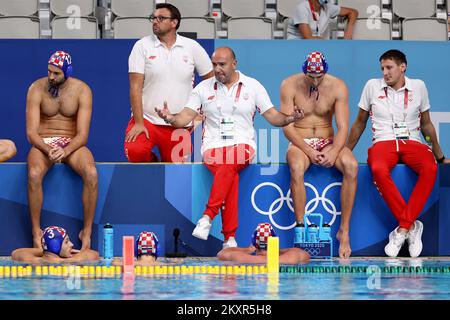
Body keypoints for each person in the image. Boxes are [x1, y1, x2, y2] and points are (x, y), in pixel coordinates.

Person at [155, 46, 304, 249]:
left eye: (222, 65)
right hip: (212, 146)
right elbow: (184, 117)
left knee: (227, 165)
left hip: (243, 145)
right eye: (214, 65)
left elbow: (273, 116)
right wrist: (170, 117)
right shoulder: (202, 89)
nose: (217, 69)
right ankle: (230, 239)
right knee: (228, 174)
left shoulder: (253, 86)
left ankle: (208, 216)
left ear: (234, 64)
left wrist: (290, 118)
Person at [347, 49, 448, 258]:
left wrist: (439, 156)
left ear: (403, 67)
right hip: (383, 141)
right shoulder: (372, 86)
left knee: (430, 168)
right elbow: (359, 123)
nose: (385, 72)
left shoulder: (419, 86)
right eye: (382, 68)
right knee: (377, 168)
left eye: (389, 67)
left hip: (412, 141)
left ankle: (403, 228)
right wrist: (346, 151)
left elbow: (427, 126)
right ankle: (412, 226)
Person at [281, 51, 357, 259]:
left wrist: (333, 151)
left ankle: (344, 231)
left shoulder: (338, 86)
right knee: (296, 167)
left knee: (351, 165)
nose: (315, 81)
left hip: (328, 140)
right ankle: (301, 229)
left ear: (325, 71)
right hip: (301, 140)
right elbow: (287, 127)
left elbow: (342, 127)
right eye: (310, 76)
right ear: (304, 70)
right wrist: (308, 150)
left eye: (319, 76)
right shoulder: (289, 84)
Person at [124, 3, 214, 163]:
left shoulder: (192, 47)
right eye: (153, 18)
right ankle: (155, 165)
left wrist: (200, 110)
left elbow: (212, 81)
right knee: (135, 153)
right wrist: (138, 123)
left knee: (177, 171)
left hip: (179, 124)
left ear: (174, 23)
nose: (155, 21)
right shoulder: (142, 46)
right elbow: (135, 87)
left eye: (161, 18)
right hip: (147, 120)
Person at [26, 50, 97, 250]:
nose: (51, 77)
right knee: (33, 174)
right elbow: (31, 133)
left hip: (71, 144)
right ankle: (36, 231)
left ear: (68, 72)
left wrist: (65, 151)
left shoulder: (82, 90)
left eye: (56, 73)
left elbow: (82, 135)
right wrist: (48, 148)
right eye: (49, 72)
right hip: (44, 143)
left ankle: (87, 231)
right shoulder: (36, 88)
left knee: (91, 173)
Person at [217, 223, 310, 264]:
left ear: (254, 243)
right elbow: (304, 255)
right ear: (274, 241)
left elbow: (222, 253)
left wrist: (247, 250)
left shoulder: (243, 258)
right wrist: (276, 250)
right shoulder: (287, 259)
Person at [11, 226, 99, 263]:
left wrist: (43, 250)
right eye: (66, 241)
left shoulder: (35, 261)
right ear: (55, 245)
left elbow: (16, 253)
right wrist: (72, 257)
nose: (71, 244)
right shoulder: (72, 261)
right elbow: (94, 254)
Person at [287, 0, 358, 40]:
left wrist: (348, 32)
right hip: (296, 48)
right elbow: (308, 38)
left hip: (314, 48)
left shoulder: (327, 8)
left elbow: (353, 12)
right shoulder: (302, 8)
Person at [112, 231, 181, 266]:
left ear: (136, 250)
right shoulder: (159, 264)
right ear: (157, 250)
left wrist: (117, 260)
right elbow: (176, 264)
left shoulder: (132, 264)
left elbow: (114, 262)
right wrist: (176, 262)